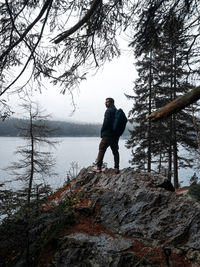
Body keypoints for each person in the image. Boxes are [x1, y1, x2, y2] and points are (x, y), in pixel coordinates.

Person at [93, 97, 120, 173]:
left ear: (111, 103)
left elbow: (106, 123)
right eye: (105, 102)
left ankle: (98, 168)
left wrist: (102, 132)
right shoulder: (116, 111)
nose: (105, 103)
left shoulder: (108, 111)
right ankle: (117, 168)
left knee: (101, 149)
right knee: (115, 151)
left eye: (107, 102)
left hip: (107, 135)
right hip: (115, 135)